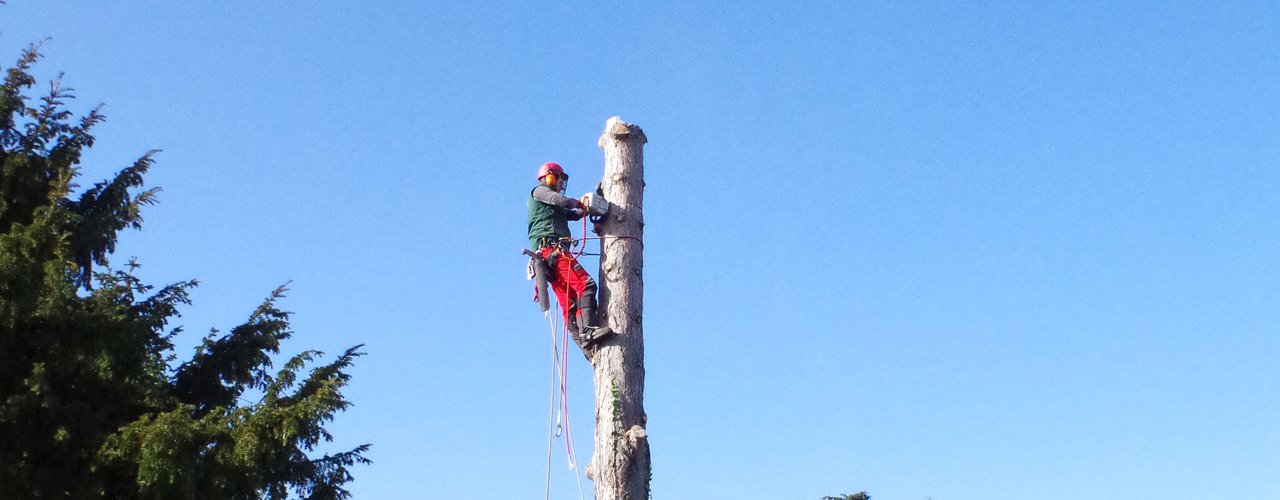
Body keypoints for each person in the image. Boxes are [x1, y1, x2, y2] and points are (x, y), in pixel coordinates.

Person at [527, 161, 613, 354]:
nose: (559, 185)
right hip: (552, 252)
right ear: (550, 176)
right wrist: (580, 201)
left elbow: (573, 214)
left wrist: (592, 205)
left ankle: (586, 347)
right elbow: (564, 202)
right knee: (586, 284)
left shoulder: (550, 206)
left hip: (549, 258)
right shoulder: (539, 192)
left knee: (570, 302)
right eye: (558, 179)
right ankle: (588, 331)